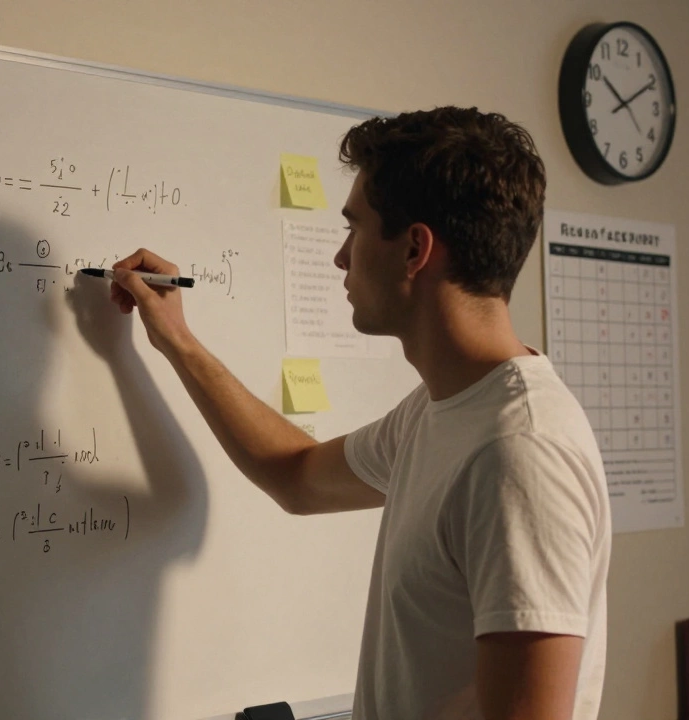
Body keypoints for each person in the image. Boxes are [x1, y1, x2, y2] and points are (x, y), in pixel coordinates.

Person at [103, 106, 611, 720]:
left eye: (355, 228)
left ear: (414, 250)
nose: (342, 258)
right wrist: (179, 342)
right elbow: (294, 473)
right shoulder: (438, 414)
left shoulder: (520, 453)